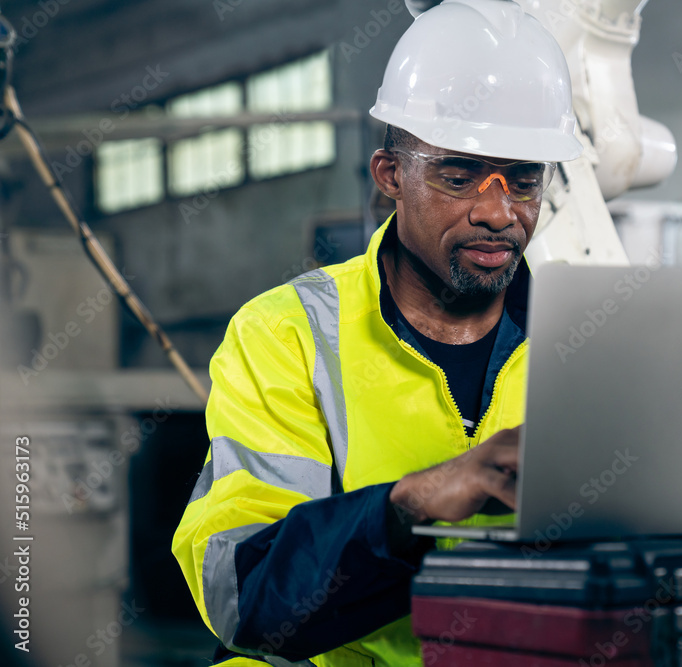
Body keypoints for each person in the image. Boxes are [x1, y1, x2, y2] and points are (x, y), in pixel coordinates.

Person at [171, 1, 582, 665]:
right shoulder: (286, 333)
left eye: (524, 180)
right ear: (391, 175)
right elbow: (242, 590)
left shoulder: (583, 337)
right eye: (459, 174)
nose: (498, 210)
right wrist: (407, 506)